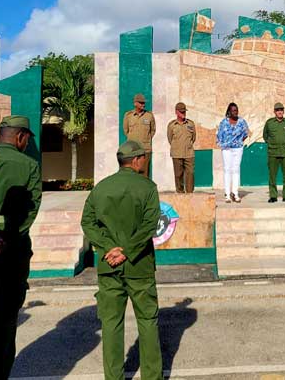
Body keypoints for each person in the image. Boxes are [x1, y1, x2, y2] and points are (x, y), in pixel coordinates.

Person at [80, 140, 163, 380]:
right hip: (140, 265)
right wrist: (126, 250)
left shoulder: (102, 188)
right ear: (136, 160)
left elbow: (87, 222)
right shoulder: (147, 188)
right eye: (144, 158)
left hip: (109, 265)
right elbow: (150, 225)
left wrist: (109, 247)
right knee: (147, 321)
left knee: (111, 324)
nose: (145, 161)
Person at [0, 116, 42, 380]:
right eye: (27, 139)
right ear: (20, 137)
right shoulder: (28, 165)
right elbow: (31, 208)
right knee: (4, 321)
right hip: (12, 250)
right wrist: (7, 237)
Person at [216, 102, 249, 203]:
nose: (235, 112)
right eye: (233, 110)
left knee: (236, 169)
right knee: (227, 169)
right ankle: (227, 194)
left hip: (238, 148)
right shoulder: (223, 123)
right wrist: (224, 144)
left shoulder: (242, 122)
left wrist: (238, 142)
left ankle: (235, 193)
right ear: (229, 112)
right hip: (226, 149)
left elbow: (245, 134)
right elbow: (219, 135)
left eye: (236, 110)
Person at [263, 102, 285, 203]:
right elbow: (265, 136)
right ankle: (273, 196)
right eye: (277, 110)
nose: (280, 112)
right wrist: (272, 144)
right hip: (273, 153)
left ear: (283, 111)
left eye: (281, 110)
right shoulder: (269, 123)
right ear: (274, 112)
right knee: (272, 175)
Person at [123, 93, 156, 177]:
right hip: (132, 150)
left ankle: (144, 190)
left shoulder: (149, 115)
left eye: (144, 103)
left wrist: (146, 139)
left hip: (145, 149)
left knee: (144, 173)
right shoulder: (128, 116)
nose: (143, 104)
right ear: (135, 103)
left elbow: (153, 130)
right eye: (141, 103)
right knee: (132, 173)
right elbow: (126, 131)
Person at [167, 102, 196, 193]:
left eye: (184, 112)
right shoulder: (172, 125)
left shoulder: (190, 124)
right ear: (176, 112)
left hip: (188, 153)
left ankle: (190, 193)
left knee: (190, 173)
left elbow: (193, 137)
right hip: (177, 153)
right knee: (178, 174)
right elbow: (170, 138)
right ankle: (180, 192)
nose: (183, 114)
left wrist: (188, 145)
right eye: (181, 112)